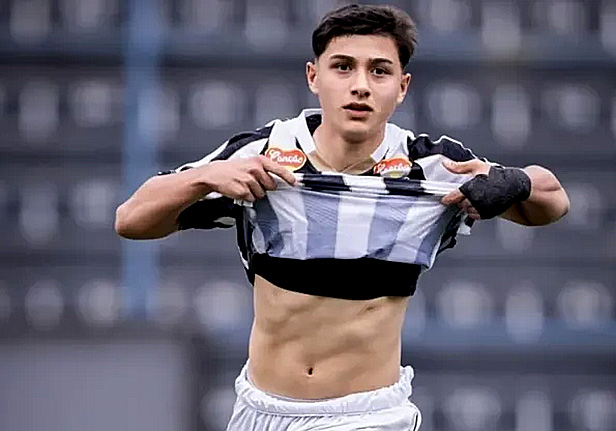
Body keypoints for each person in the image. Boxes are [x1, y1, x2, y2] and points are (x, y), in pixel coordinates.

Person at [115, 4, 570, 430]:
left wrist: (516, 182)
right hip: (261, 410)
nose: (360, 85)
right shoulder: (264, 153)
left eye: (379, 70)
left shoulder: (432, 166)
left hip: (367, 415)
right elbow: (131, 219)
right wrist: (205, 178)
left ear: (402, 86)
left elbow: (552, 199)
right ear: (314, 77)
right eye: (343, 67)